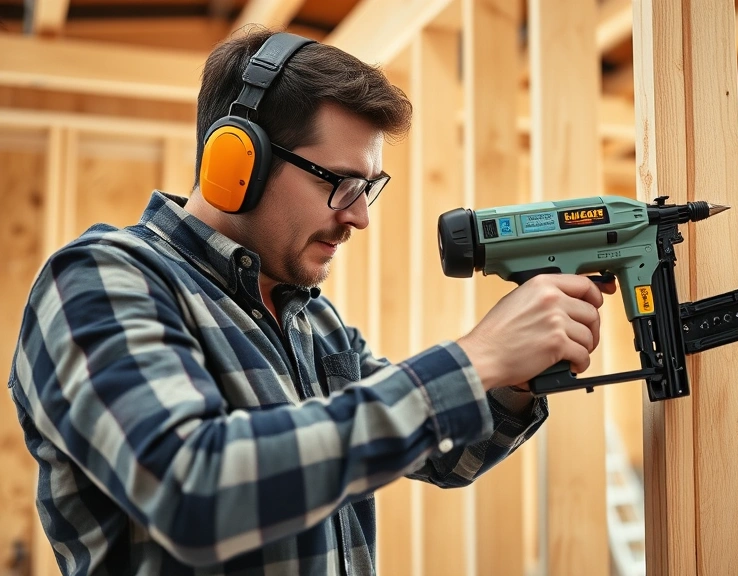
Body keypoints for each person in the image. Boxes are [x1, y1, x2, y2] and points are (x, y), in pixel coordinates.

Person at [7, 28, 615, 576]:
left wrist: (518, 371)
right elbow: (193, 490)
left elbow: (447, 454)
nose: (358, 216)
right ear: (236, 161)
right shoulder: (100, 280)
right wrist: (477, 356)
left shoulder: (309, 319)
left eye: (369, 187)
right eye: (340, 184)